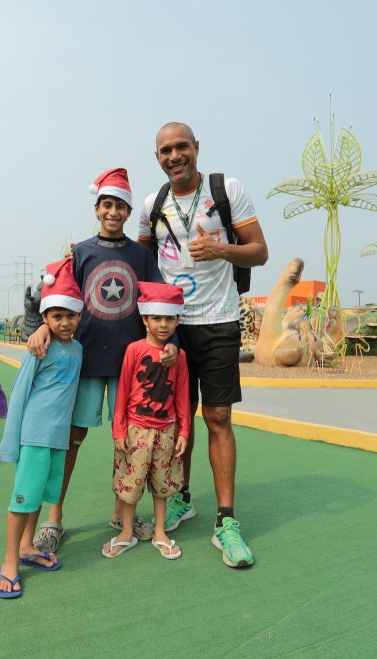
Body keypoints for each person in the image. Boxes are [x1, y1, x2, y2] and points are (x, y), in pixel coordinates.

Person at [138, 122, 268, 568]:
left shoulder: (226, 190)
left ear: (196, 148)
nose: (174, 156)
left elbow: (259, 251)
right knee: (177, 419)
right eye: (165, 150)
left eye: (182, 147)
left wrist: (222, 249)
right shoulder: (151, 205)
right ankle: (181, 498)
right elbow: (136, 260)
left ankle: (226, 521)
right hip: (171, 328)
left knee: (217, 417)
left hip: (218, 321)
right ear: (157, 157)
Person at [27, 168, 176, 553]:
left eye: (120, 206)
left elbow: (159, 301)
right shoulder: (79, 253)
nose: (113, 212)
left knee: (130, 441)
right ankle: (54, 518)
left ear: (128, 211)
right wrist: (41, 326)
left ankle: (121, 513)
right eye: (107, 204)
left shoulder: (141, 256)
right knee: (70, 439)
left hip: (133, 367)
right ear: (97, 208)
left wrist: (171, 343)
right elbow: (57, 298)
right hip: (86, 363)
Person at [0, 258, 83, 598]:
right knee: (23, 497)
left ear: (80, 316)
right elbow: (19, 392)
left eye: (70, 315)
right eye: (56, 316)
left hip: (58, 437)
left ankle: (27, 546)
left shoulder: (78, 349)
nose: (64, 322)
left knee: (41, 493)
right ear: (45, 318)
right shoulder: (38, 348)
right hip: (34, 435)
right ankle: (9, 561)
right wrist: (11, 439)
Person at [104, 282, 191, 560]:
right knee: (130, 483)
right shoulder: (134, 350)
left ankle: (160, 531)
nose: (163, 324)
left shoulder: (180, 357)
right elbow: (122, 393)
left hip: (167, 430)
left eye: (169, 318)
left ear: (177, 321)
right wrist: (119, 430)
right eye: (157, 318)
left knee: (162, 484)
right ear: (145, 319)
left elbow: (182, 396)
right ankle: (126, 531)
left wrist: (184, 432)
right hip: (136, 430)